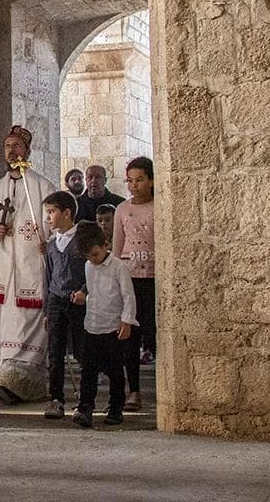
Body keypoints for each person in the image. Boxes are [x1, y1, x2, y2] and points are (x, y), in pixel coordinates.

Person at [0, 124, 55, 404]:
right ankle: (6, 373)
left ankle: (27, 376)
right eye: (7, 146)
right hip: (5, 269)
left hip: (31, 269)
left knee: (30, 321)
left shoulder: (42, 187)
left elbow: (53, 225)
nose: (11, 150)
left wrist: (47, 243)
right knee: (7, 323)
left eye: (17, 146)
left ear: (27, 151)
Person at [71, 221, 136, 428]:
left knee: (115, 371)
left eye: (96, 254)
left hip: (113, 327)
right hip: (93, 325)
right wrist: (83, 296)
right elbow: (92, 291)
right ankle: (85, 407)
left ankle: (116, 408)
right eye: (88, 256)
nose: (93, 259)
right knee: (88, 371)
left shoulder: (119, 267)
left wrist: (127, 320)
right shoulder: (88, 267)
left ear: (105, 245)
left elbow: (128, 296)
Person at [115, 156, 156, 411]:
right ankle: (134, 391)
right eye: (130, 181)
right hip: (130, 280)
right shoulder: (122, 209)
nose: (134, 186)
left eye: (139, 180)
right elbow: (117, 248)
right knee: (130, 336)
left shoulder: (159, 206)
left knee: (155, 333)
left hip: (155, 278)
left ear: (151, 181)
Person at [41, 191, 85, 420]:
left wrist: (85, 291)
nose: (48, 217)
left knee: (82, 351)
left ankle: (85, 400)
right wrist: (47, 310)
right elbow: (48, 277)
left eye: (52, 212)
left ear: (66, 213)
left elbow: (92, 270)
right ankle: (56, 398)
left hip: (78, 302)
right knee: (55, 352)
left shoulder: (83, 240)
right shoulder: (51, 246)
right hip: (56, 301)